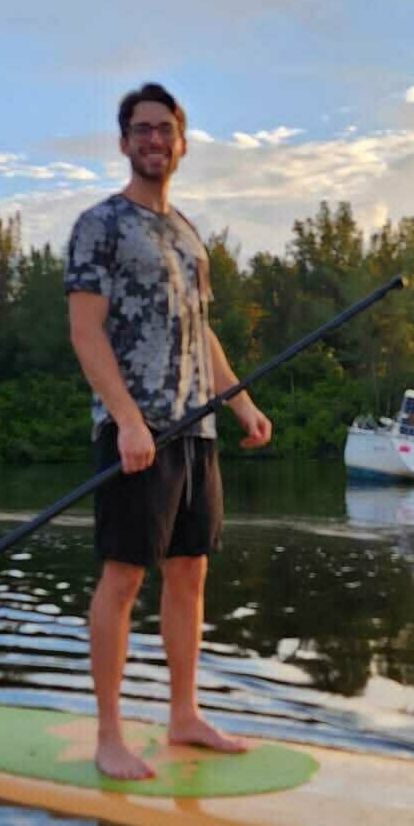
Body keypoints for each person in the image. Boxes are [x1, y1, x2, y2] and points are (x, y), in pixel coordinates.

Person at [65, 83, 271, 779]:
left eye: (165, 129)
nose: (154, 140)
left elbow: (200, 330)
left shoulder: (187, 233)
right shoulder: (100, 224)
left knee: (190, 572)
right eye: (142, 129)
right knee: (124, 577)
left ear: (181, 143)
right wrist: (127, 419)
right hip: (137, 430)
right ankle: (110, 736)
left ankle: (184, 716)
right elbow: (85, 331)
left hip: (195, 431)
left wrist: (239, 403)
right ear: (124, 142)